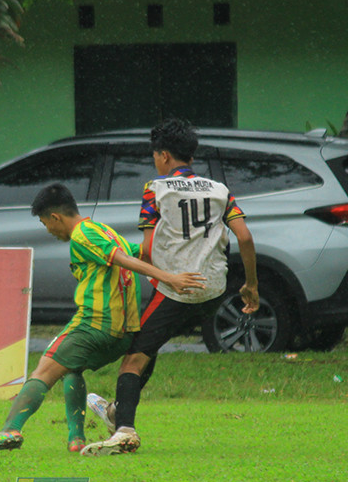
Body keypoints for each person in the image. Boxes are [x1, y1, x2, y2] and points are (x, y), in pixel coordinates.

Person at [0, 183, 206, 456]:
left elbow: (122, 259)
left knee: (44, 370)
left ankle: (11, 428)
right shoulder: (106, 231)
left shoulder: (83, 234)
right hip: (123, 333)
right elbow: (141, 252)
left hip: (95, 325)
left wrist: (168, 278)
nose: (48, 230)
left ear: (56, 217)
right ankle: (76, 440)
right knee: (72, 368)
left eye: (46, 223)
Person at [81, 118, 259, 456]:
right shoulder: (219, 190)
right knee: (151, 345)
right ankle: (119, 409)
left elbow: (147, 248)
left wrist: (153, 273)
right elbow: (245, 237)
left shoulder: (156, 189)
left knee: (133, 358)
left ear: (163, 156)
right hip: (214, 289)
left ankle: (124, 429)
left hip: (176, 289)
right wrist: (250, 285)